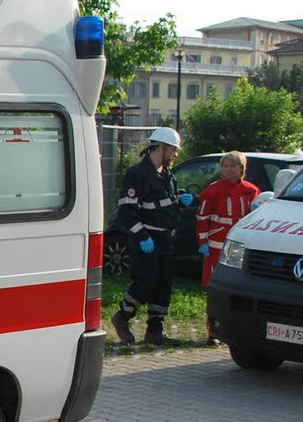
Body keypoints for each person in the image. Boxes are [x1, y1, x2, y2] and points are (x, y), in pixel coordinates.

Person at [110, 126, 194, 347]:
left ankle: (155, 331)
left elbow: (164, 205)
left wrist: (180, 202)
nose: (175, 155)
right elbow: (128, 211)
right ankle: (122, 317)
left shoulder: (167, 174)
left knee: (163, 285)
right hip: (146, 240)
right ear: (162, 147)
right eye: (173, 150)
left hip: (165, 239)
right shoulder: (138, 174)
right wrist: (143, 236)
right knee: (146, 282)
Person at [194, 151, 260, 344]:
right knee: (215, 289)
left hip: (242, 247)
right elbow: (202, 218)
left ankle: (241, 329)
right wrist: (203, 243)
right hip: (216, 247)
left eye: (232, 165)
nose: (228, 169)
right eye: (225, 166)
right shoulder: (213, 190)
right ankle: (213, 331)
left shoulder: (251, 191)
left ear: (242, 168)